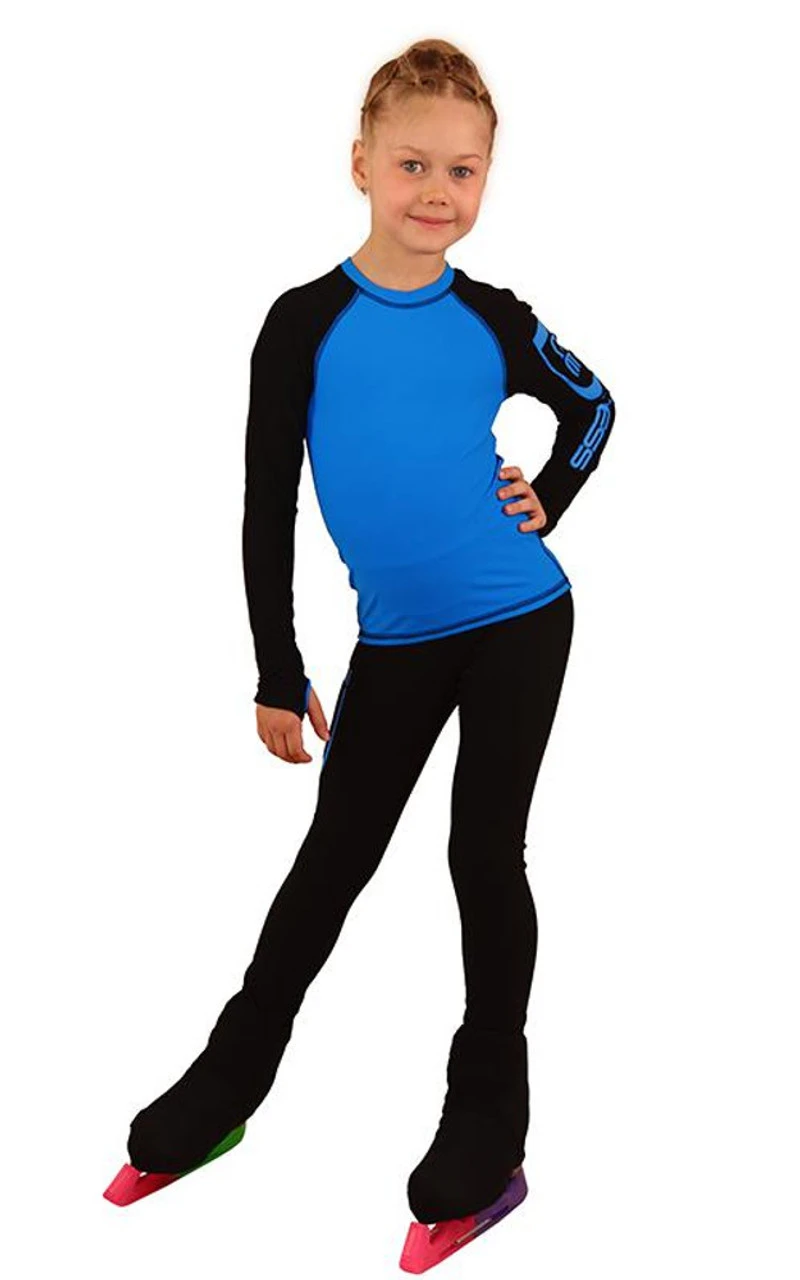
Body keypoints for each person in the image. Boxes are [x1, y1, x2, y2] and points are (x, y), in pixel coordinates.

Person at [117, 36, 615, 1246]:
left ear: (486, 178)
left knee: (481, 855)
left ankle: (488, 1125)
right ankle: (227, 1083)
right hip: (394, 641)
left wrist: (550, 494)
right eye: (410, 164)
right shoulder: (302, 323)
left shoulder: (494, 319)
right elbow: (264, 504)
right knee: (331, 858)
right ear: (360, 165)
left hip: (518, 618)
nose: (435, 192)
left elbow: (593, 404)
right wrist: (276, 667)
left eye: (461, 170)